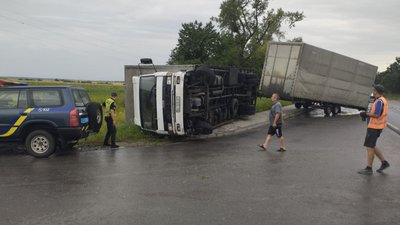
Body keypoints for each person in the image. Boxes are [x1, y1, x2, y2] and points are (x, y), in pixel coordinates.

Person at [358, 84, 390, 175]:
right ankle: (384, 163)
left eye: (374, 90)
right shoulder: (381, 100)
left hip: (374, 128)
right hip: (377, 127)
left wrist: (366, 114)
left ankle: (369, 168)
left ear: (376, 91)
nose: (373, 91)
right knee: (372, 146)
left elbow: (376, 115)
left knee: (369, 147)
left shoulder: (379, 101)